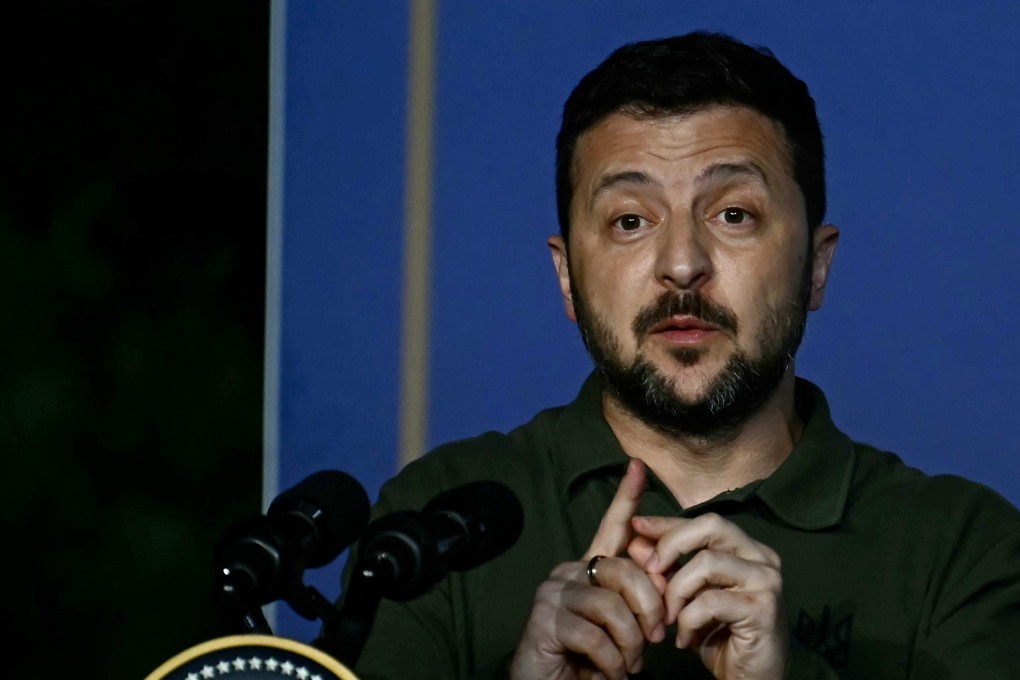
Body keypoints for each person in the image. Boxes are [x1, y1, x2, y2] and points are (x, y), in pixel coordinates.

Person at [343, 32, 1020, 679]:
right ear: (566, 279)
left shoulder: (964, 548)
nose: (682, 264)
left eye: (733, 214)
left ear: (816, 266)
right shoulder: (439, 524)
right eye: (630, 221)